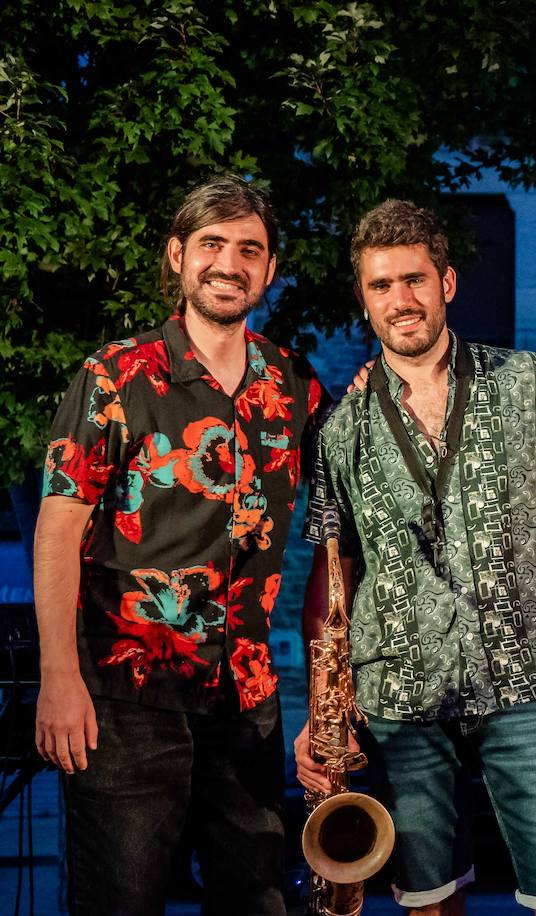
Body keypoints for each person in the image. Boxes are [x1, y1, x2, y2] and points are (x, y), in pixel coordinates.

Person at [294, 199, 536, 916]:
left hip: (529, 678)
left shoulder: (530, 381)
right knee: (429, 904)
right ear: (363, 299)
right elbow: (331, 578)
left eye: (414, 280)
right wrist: (324, 711)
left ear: (447, 283)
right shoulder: (337, 428)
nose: (400, 300)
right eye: (381, 286)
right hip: (399, 696)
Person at [33, 175, 326, 915]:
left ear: (268, 270)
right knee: (122, 902)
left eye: (249, 250)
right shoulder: (114, 376)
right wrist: (58, 678)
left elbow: (336, 522)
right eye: (212, 245)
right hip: (125, 696)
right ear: (177, 255)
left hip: (249, 697)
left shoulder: (296, 384)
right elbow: (58, 529)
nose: (230, 263)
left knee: (258, 901)